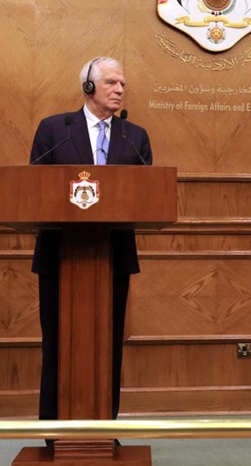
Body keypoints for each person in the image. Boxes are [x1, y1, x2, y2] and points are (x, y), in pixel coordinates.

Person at [30, 57, 153, 425]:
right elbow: (35, 187)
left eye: (123, 85)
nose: (119, 90)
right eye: (112, 83)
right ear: (88, 87)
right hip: (59, 255)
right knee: (57, 342)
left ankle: (104, 425)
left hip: (113, 256)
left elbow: (147, 193)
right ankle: (53, 428)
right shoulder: (55, 130)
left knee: (108, 343)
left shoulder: (136, 135)